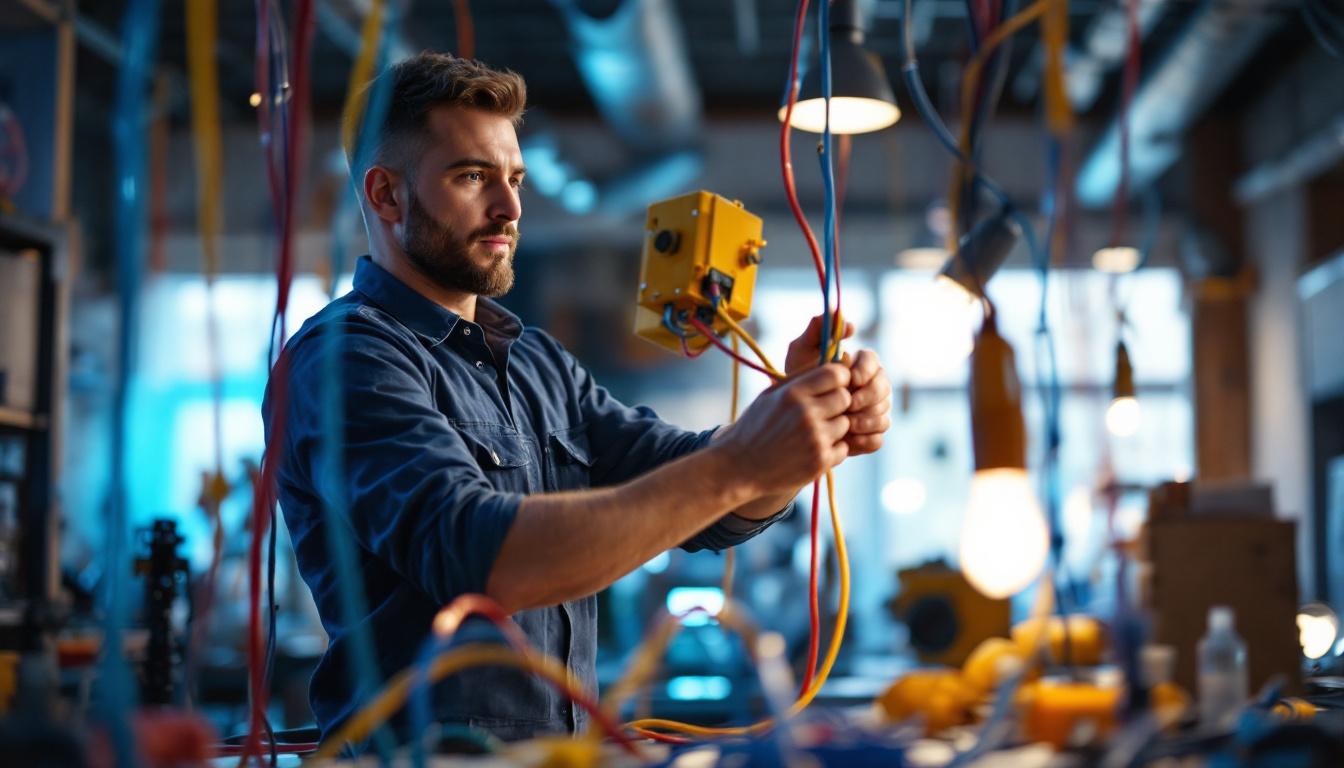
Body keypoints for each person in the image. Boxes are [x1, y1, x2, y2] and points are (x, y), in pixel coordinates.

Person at [262, 52, 892, 750]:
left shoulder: (535, 361)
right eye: (472, 177)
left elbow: (698, 503)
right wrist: (745, 462)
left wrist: (795, 421)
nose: (510, 208)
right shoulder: (346, 359)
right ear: (386, 195)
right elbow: (483, 557)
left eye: (515, 178)